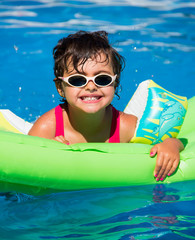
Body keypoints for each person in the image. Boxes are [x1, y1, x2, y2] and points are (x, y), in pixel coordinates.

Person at [28, 30, 184, 182]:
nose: (90, 87)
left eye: (102, 79)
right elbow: (25, 167)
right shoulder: (47, 128)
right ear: (60, 88)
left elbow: (172, 143)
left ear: (115, 84)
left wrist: (171, 144)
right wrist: (46, 153)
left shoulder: (125, 127)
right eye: (77, 80)